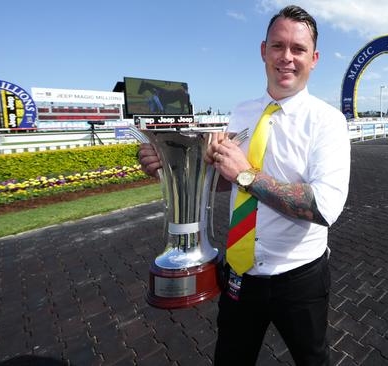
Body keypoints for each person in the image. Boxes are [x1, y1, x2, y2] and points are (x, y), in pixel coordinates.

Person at [138, 5, 350, 365]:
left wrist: (245, 174)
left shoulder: (327, 121)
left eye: (298, 49)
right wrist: (170, 168)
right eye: (278, 46)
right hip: (239, 272)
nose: (287, 57)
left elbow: (323, 207)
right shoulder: (242, 112)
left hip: (299, 278)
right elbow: (227, 184)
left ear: (313, 59)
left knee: (313, 360)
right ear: (263, 50)